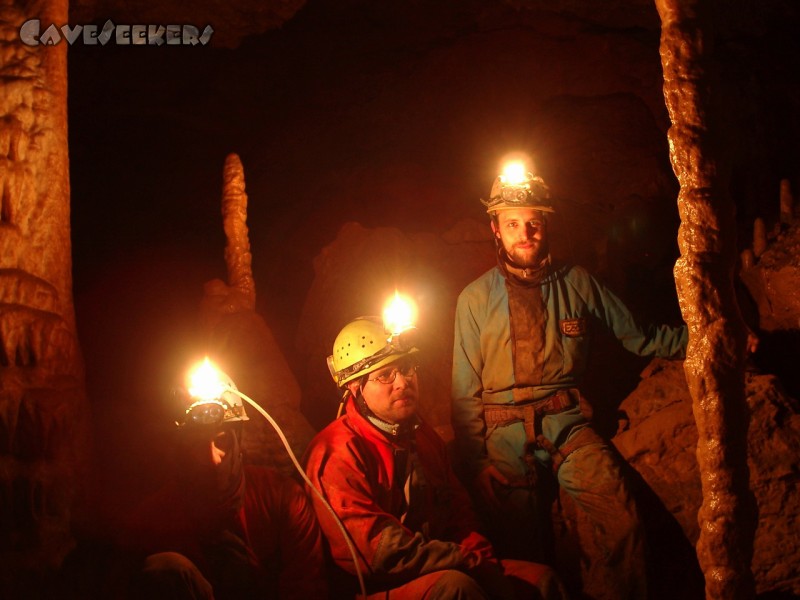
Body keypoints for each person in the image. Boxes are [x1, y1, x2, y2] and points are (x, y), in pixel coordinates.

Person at [451, 167, 689, 600]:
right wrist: (476, 463)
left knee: (624, 521)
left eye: (533, 223)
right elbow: (464, 390)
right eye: (511, 224)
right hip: (503, 431)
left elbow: (641, 335)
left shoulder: (577, 282)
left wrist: (706, 337)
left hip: (567, 422)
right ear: (495, 229)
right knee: (526, 555)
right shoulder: (475, 299)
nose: (524, 233)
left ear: (547, 225)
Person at [304, 316, 568, 599]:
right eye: (385, 375)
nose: (403, 382)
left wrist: (482, 562)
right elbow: (377, 553)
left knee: (542, 582)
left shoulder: (422, 436)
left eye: (406, 368)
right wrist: (466, 561)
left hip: (438, 565)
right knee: (455, 589)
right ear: (356, 389)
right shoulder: (336, 451)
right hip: (376, 587)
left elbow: (459, 514)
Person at [121, 371, 328, 600]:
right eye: (196, 445)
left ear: (240, 442)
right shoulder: (153, 522)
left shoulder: (282, 499)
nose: (213, 458)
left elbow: (306, 586)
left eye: (222, 441)